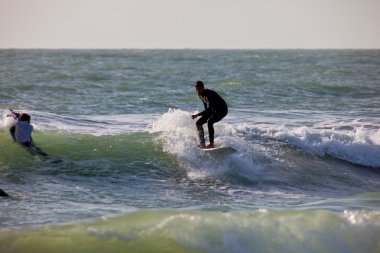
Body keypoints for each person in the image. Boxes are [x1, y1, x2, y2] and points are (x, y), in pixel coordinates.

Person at [191, 81, 228, 149]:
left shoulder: (208, 94)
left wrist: (197, 115)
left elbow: (209, 108)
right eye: (196, 89)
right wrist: (203, 116)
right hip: (213, 110)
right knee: (198, 123)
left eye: (199, 89)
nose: (198, 91)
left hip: (222, 109)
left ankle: (211, 144)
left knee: (210, 121)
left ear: (203, 88)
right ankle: (202, 143)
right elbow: (206, 108)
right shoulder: (200, 95)